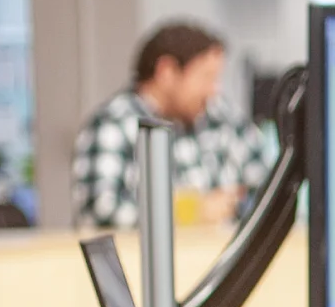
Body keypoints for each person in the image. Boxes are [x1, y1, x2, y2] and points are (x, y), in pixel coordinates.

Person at [70, 20, 277, 230]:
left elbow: (270, 190)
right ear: (166, 71)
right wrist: (191, 212)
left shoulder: (221, 117)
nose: (213, 90)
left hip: (230, 258)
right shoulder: (112, 126)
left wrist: (236, 206)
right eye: (206, 77)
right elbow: (97, 214)